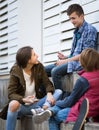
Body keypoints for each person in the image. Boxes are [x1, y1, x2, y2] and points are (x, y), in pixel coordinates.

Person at [33, 48, 99, 130]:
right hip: (95, 109)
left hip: (84, 111)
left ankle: (50, 110)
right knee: (58, 108)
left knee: (54, 116)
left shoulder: (83, 80)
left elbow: (70, 101)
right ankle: (50, 111)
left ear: (83, 62)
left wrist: (57, 103)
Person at [0, 46, 62, 130]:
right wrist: (24, 100)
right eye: (34, 55)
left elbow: (47, 83)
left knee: (58, 92)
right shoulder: (16, 70)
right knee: (13, 103)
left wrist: (49, 93)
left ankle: (43, 109)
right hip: (22, 107)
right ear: (28, 60)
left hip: (36, 104)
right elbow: (11, 94)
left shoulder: (38, 66)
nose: (37, 56)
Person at [45, 4, 97, 90]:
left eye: (73, 18)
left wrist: (65, 61)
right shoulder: (76, 31)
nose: (71, 21)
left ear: (82, 16)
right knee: (43, 70)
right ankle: (49, 95)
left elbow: (86, 55)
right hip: (72, 62)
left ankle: (61, 99)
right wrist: (65, 57)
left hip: (81, 64)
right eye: (70, 18)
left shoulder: (90, 30)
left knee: (55, 71)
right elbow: (76, 53)